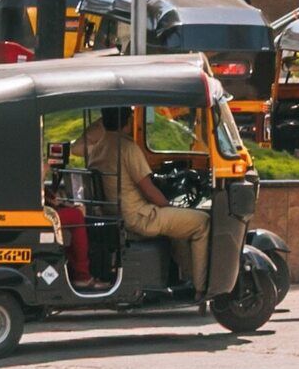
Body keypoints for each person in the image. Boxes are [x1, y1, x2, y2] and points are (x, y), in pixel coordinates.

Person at [80, 107, 207, 293]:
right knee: (202, 223)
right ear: (129, 121)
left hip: (116, 215)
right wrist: (168, 206)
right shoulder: (127, 147)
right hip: (139, 218)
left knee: (178, 226)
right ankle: (201, 287)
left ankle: (184, 277)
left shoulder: (99, 148)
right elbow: (148, 190)